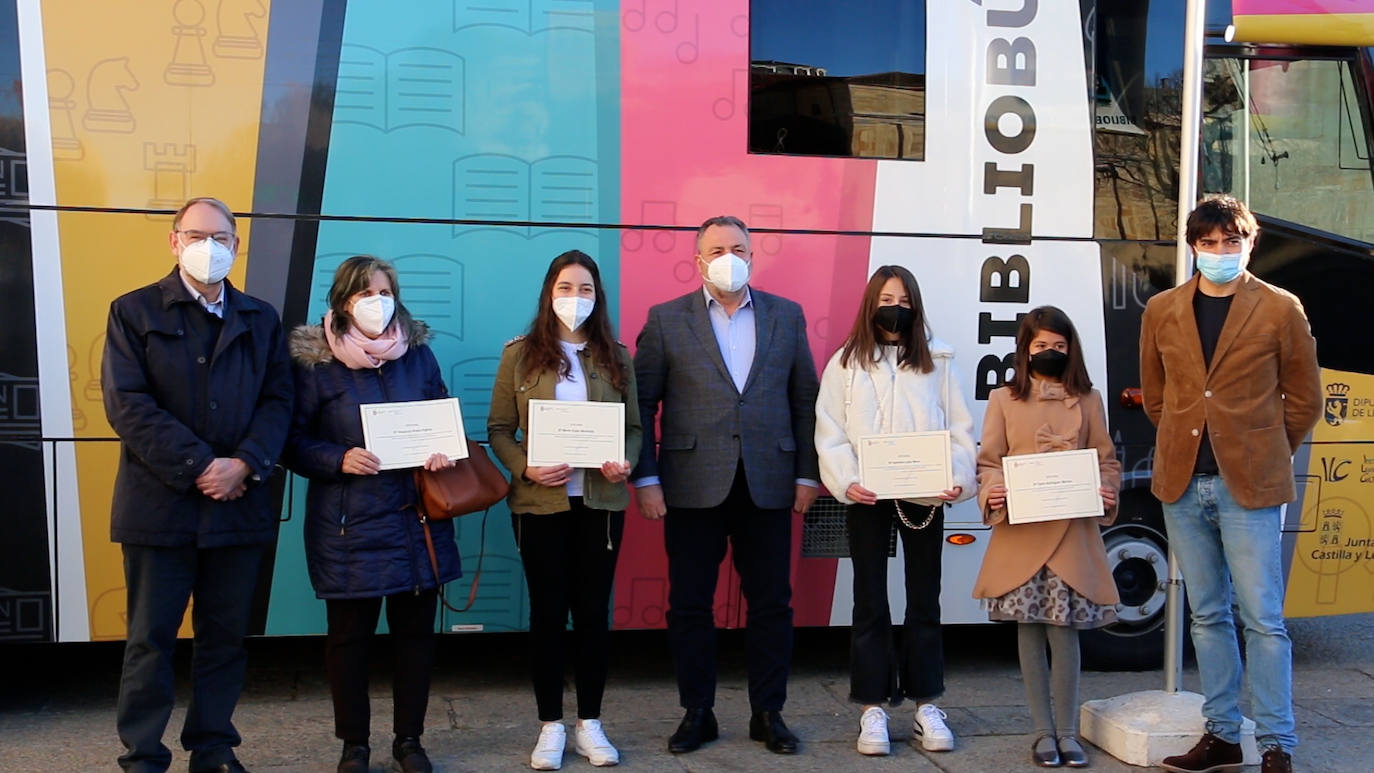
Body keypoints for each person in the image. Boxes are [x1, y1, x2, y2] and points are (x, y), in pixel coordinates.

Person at [103, 196, 293, 773]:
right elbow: (126, 405)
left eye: (220, 237)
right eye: (195, 234)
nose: (207, 247)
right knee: (150, 640)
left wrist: (245, 463)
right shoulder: (133, 311)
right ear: (174, 241)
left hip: (239, 506)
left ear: (236, 245)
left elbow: (279, 401)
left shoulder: (261, 318)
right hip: (159, 508)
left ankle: (213, 749)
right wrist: (202, 467)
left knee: (224, 639)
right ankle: (142, 755)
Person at [1143, 196, 1320, 773]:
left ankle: (1275, 744)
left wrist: (1266, 452)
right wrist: (1184, 437)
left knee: (1264, 619)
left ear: (1250, 242)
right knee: (1207, 616)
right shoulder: (1163, 309)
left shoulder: (1279, 308)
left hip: (1250, 486)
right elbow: (1157, 395)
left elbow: (1305, 399)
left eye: (1231, 242)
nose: (1220, 252)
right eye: (1209, 243)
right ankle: (1220, 734)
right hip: (1183, 482)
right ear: (1193, 246)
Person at [633, 215, 820, 755]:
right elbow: (643, 403)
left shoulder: (787, 316)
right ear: (697, 260)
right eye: (716, 249)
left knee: (772, 605)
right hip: (691, 485)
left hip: (769, 482)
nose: (728, 256)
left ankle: (769, 713)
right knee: (690, 604)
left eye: (737, 247)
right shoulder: (666, 320)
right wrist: (646, 476)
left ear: (752, 255)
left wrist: (807, 473)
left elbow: (804, 398)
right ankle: (698, 712)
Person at [284, 256, 460, 773]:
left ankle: (410, 741)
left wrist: (441, 450)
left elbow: (440, 413)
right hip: (348, 526)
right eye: (364, 293)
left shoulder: (418, 356)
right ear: (342, 303)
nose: (376, 302)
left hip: (415, 520)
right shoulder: (314, 364)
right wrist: (336, 459)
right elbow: (290, 441)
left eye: (383, 292)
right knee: (348, 643)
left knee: (415, 642)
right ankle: (353, 745)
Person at [487, 250, 643, 770]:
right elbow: (498, 430)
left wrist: (626, 461)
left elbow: (636, 429)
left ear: (597, 297)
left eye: (584, 289)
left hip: (600, 503)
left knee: (594, 616)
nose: (574, 298)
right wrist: (525, 467)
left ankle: (591, 724)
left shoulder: (617, 357)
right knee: (549, 615)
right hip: (540, 505)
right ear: (548, 293)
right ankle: (550, 725)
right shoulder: (520, 354)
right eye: (564, 287)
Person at [814, 265, 976, 756]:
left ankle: (927, 703)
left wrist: (958, 476)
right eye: (887, 297)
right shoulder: (845, 362)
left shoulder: (939, 360)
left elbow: (959, 428)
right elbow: (831, 429)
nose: (896, 306)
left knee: (924, 598)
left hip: (924, 496)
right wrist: (847, 480)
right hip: (867, 494)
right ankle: (872, 708)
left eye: (904, 299)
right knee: (870, 602)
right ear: (871, 302)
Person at [973, 306, 1121, 769]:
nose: (1050, 353)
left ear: (1071, 350)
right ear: (1025, 350)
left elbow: (1108, 461)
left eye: (1059, 347)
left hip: (1071, 534)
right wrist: (993, 491)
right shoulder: (1003, 399)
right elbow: (989, 461)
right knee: (1029, 631)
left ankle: (1069, 733)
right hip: (1022, 534)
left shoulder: (1090, 399)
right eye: (1041, 346)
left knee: (1065, 632)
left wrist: (1105, 489)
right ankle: (1042, 732)